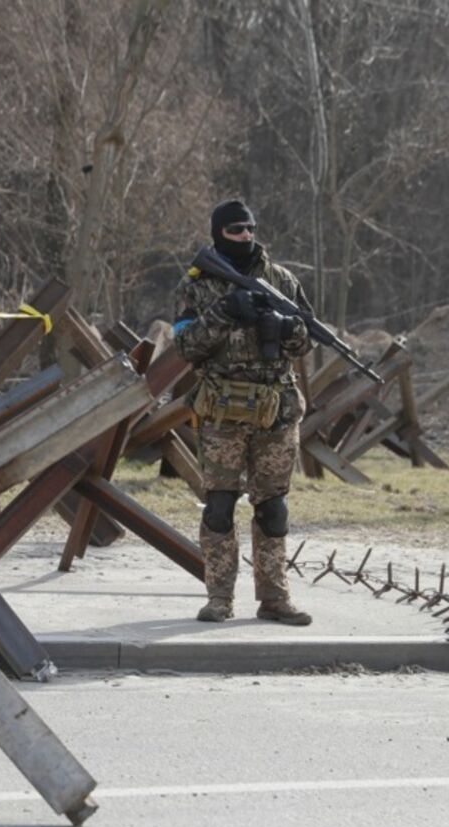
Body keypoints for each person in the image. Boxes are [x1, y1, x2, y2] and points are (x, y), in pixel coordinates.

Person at [172, 199, 315, 625]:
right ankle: (219, 597)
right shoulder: (197, 285)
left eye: (250, 228)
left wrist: (287, 330)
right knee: (219, 505)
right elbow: (185, 346)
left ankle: (274, 597)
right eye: (236, 230)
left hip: (275, 410)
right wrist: (223, 312)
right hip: (222, 412)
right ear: (219, 233)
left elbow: (307, 339)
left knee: (273, 508)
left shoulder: (281, 280)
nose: (246, 236)